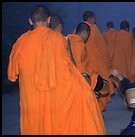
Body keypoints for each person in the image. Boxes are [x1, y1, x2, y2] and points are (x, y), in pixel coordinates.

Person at [7, 5, 105, 135]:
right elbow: (68, 70)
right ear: (48, 19)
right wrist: (84, 89)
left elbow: (12, 75)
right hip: (53, 99)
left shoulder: (21, 42)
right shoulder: (57, 39)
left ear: (30, 21)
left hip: (30, 102)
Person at [83, 10, 115, 111]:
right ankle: (99, 108)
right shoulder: (94, 28)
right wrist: (108, 63)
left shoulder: (78, 29)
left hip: (84, 64)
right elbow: (102, 48)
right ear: (92, 18)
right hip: (96, 64)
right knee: (99, 86)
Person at [67, 22, 104, 98]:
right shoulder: (79, 45)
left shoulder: (68, 40)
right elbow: (79, 67)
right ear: (84, 33)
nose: (87, 37)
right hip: (80, 79)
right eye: (88, 35)